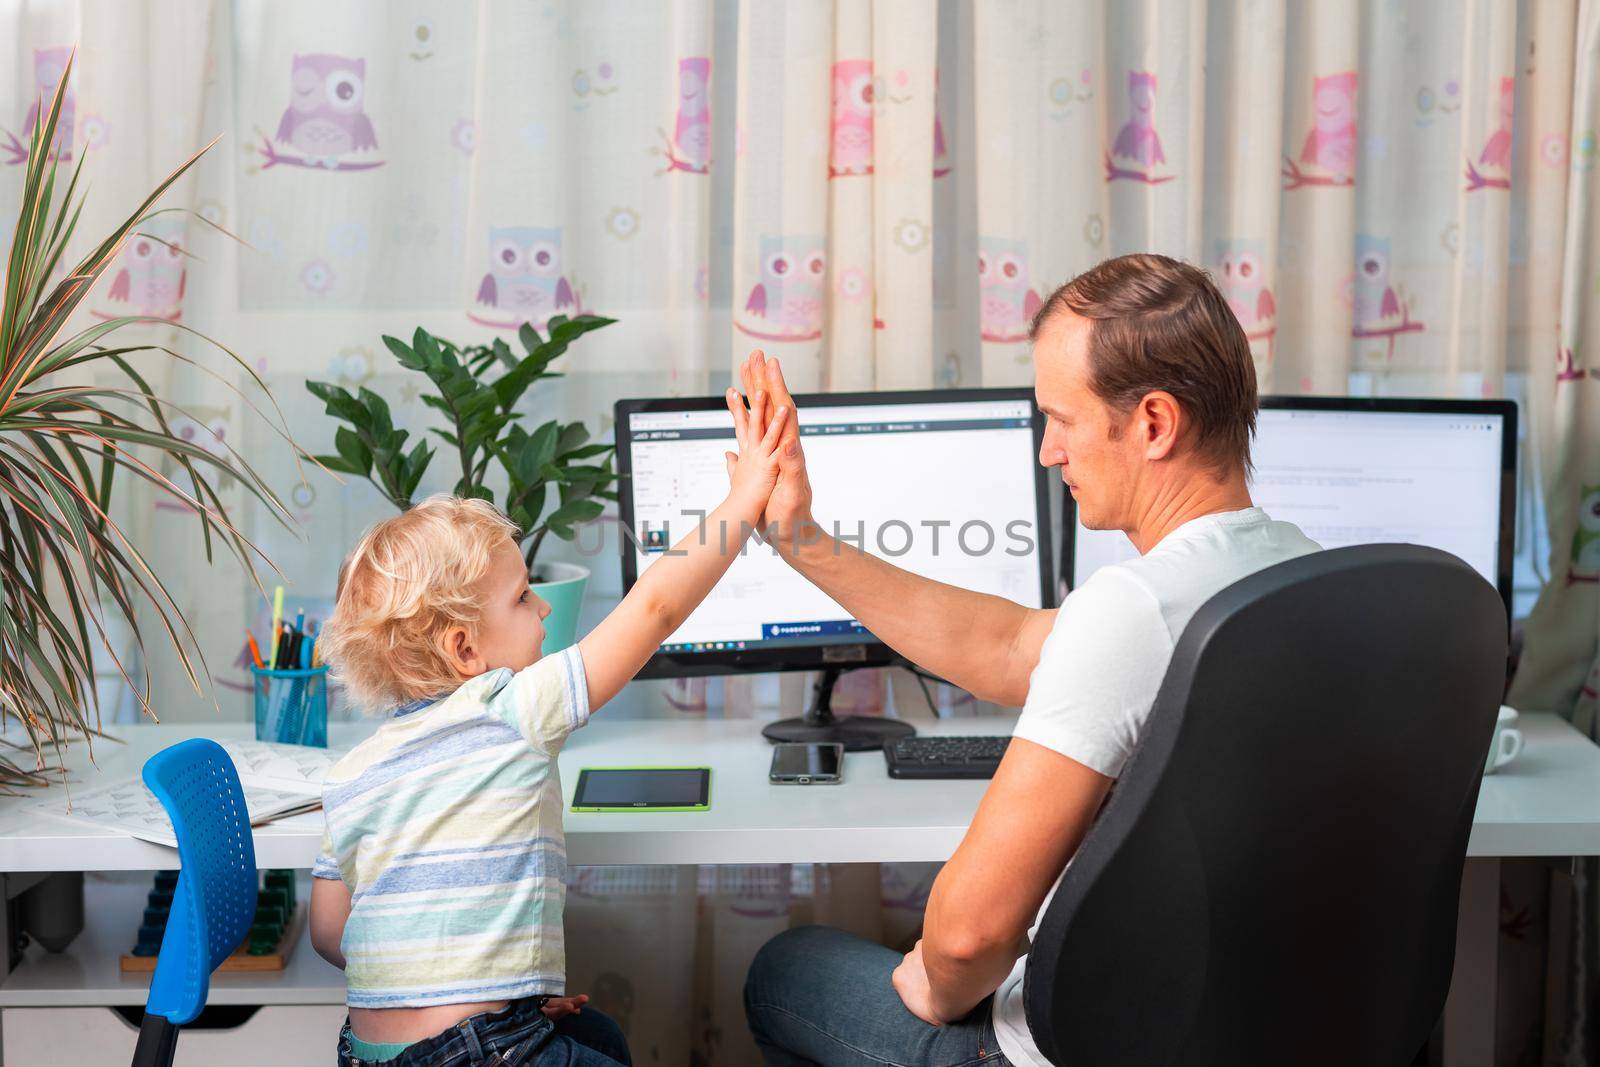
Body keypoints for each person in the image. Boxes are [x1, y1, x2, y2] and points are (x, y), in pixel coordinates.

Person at [741, 253, 1322, 1067]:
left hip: (1069, 1050)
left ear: (1154, 423)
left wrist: (934, 988)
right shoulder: (1300, 573)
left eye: (1063, 418)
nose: (1050, 452)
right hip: (1248, 1035)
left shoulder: (1136, 608)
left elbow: (968, 936)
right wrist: (802, 540)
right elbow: (1012, 645)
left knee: (782, 970)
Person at [309, 393, 794, 1066]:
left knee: (600, 1040)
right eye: (522, 596)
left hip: (369, 1053)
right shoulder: (512, 709)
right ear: (464, 650)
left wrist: (488, 989)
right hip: (480, 1052)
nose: (542, 608)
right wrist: (744, 500)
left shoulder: (349, 774)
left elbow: (332, 932)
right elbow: (654, 607)